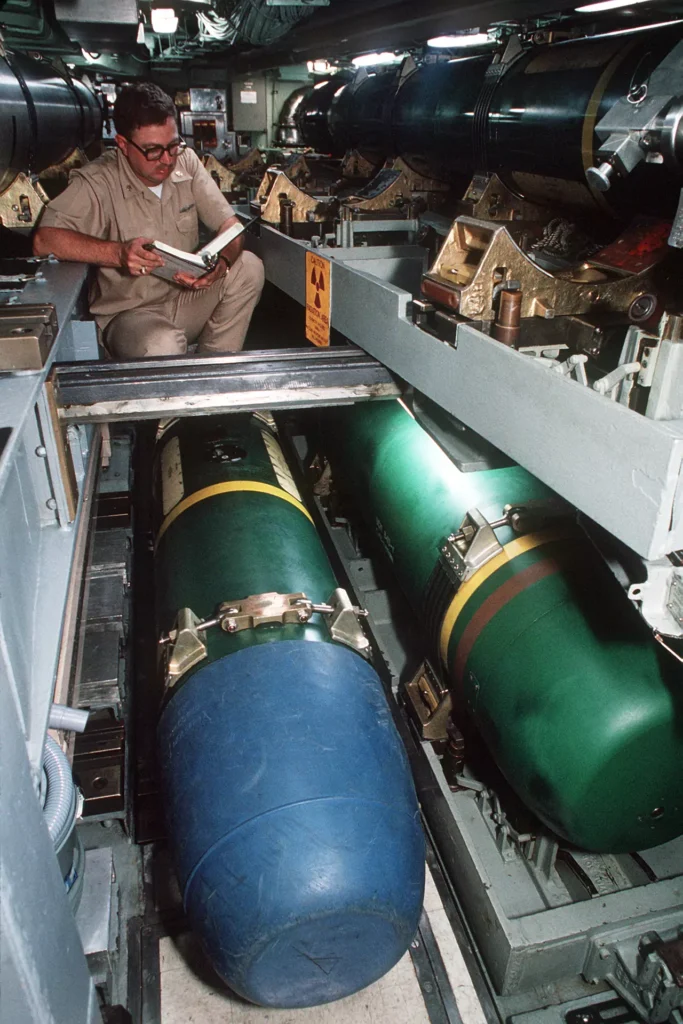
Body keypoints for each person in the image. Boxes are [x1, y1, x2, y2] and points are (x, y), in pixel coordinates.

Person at [33, 82, 265, 359]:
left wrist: (222, 264)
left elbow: (231, 227)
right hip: (131, 315)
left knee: (249, 267)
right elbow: (44, 240)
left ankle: (215, 372)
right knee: (162, 345)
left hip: (185, 299)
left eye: (172, 145)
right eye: (153, 150)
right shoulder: (98, 181)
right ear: (123, 144)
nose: (167, 160)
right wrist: (118, 254)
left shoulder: (186, 162)